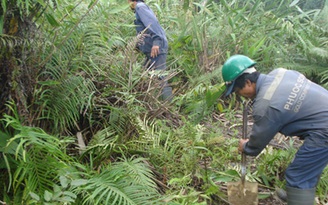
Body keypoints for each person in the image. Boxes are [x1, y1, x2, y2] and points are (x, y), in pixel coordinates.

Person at [221, 54, 328, 205]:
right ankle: (297, 196)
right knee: (308, 166)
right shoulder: (281, 72)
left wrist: (245, 146)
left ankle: (299, 197)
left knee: (298, 175)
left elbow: (256, 144)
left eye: (239, 92)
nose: (241, 97)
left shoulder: (265, 105)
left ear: (248, 82)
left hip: (324, 131)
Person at [128, 0, 172, 101]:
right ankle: (147, 103)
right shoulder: (140, 8)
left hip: (156, 49)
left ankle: (169, 106)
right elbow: (143, 30)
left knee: (161, 79)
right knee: (142, 76)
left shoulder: (140, 7)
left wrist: (157, 42)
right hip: (150, 51)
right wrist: (137, 47)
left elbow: (152, 24)